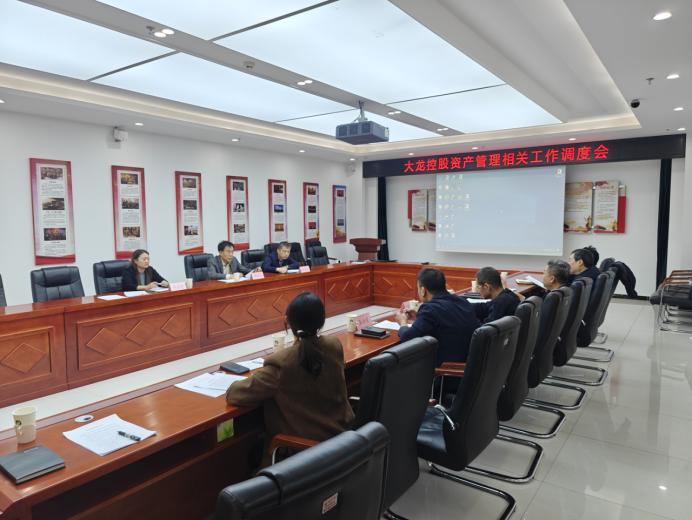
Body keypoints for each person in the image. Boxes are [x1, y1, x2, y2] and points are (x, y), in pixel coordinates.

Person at [226, 292, 354, 466]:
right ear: (322, 321)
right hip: (342, 446)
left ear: (287, 323)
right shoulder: (334, 346)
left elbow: (235, 394)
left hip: (303, 459)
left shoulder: (282, 363)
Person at [395, 268, 480, 366]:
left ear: (423, 290)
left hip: (446, 370)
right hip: (470, 364)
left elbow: (408, 338)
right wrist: (419, 315)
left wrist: (403, 322)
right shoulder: (462, 301)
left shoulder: (430, 309)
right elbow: (445, 319)